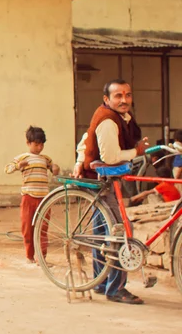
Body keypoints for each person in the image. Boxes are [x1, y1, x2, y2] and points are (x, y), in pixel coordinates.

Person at [72, 78, 147, 305]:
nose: (124, 100)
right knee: (121, 231)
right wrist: (136, 151)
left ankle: (101, 282)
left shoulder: (118, 116)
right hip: (104, 181)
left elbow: (86, 138)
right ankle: (116, 289)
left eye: (128, 95)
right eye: (118, 96)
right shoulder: (108, 121)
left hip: (103, 180)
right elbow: (110, 157)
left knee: (103, 230)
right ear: (107, 99)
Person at [5, 126, 59, 264]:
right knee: (28, 227)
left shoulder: (46, 159)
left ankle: (42, 257)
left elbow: (54, 170)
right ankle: (29, 256)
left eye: (42, 144)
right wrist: (18, 166)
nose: (39, 147)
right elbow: (8, 169)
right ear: (28, 143)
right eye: (36, 144)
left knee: (42, 228)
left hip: (44, 199)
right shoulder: (23, 157)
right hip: (28, 197)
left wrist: (55, 168)